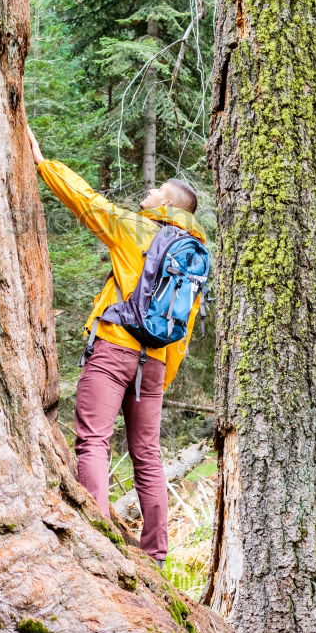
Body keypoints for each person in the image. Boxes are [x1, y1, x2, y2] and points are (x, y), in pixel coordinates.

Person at [26, 126, 206, 566]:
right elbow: (183, 330)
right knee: (146, 455)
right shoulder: (194, 257)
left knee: (93, 442)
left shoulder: (138, 232)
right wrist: (161, 376)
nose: (148, 191)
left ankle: (97, 542)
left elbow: (89, 204)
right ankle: (157, 555)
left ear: (165, 206)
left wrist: (42, 162)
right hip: (156, 364)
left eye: (156, 190)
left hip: (113, 350)